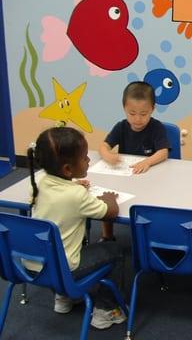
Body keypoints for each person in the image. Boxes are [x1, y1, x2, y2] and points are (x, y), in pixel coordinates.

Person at [26, 127, 126, 329]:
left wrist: (73, 184)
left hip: (32, 265)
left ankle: (62, 298)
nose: (88, 160)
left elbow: (60, 198)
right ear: (67, 170)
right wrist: (109, 198)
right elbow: (110, 212)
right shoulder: (77, 196)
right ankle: (106, 311)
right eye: (85, 157)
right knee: (115, 250)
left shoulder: (38, 183)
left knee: (58, 242)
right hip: (64, 269)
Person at [99, 81, 169, 241]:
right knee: (106, 198)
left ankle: (151, 235)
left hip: (150, 178)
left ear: (152, 109)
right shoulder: (121, 127)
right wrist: (108, 155)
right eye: (132, 113)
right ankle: (107, 236)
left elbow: (163, 152)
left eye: (144, 114)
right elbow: (104, 145)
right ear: (124, 108)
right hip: (126, 177)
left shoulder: (156, 127)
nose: (138, 119)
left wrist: (148, 162)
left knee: (152, 203)